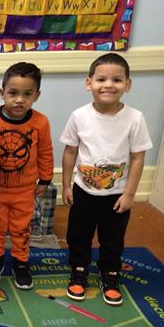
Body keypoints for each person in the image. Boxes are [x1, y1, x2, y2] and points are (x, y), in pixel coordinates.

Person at [61, 53, 152, 306]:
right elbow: (70, 152)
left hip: (117, 194)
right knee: (78, 235)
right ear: (89, 83)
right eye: (101, 79)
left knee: (112, 238)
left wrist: (130, 193)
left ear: (128, 85)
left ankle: (110, 274)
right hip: (83, 191)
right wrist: (66, 185)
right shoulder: (79, 115)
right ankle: (79, 270)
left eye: (117, 80)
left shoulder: (135, 118)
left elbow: (137, 157)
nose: (108, 85)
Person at [0, 62, 53, 290]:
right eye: (13, 93)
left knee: (21, 228)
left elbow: (45, 151)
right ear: (2, 92)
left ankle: (21, 262)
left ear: (37, 95)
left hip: (25, 189)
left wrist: (45, 179)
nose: (19, 100)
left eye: (27, 94)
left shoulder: (40, 122)